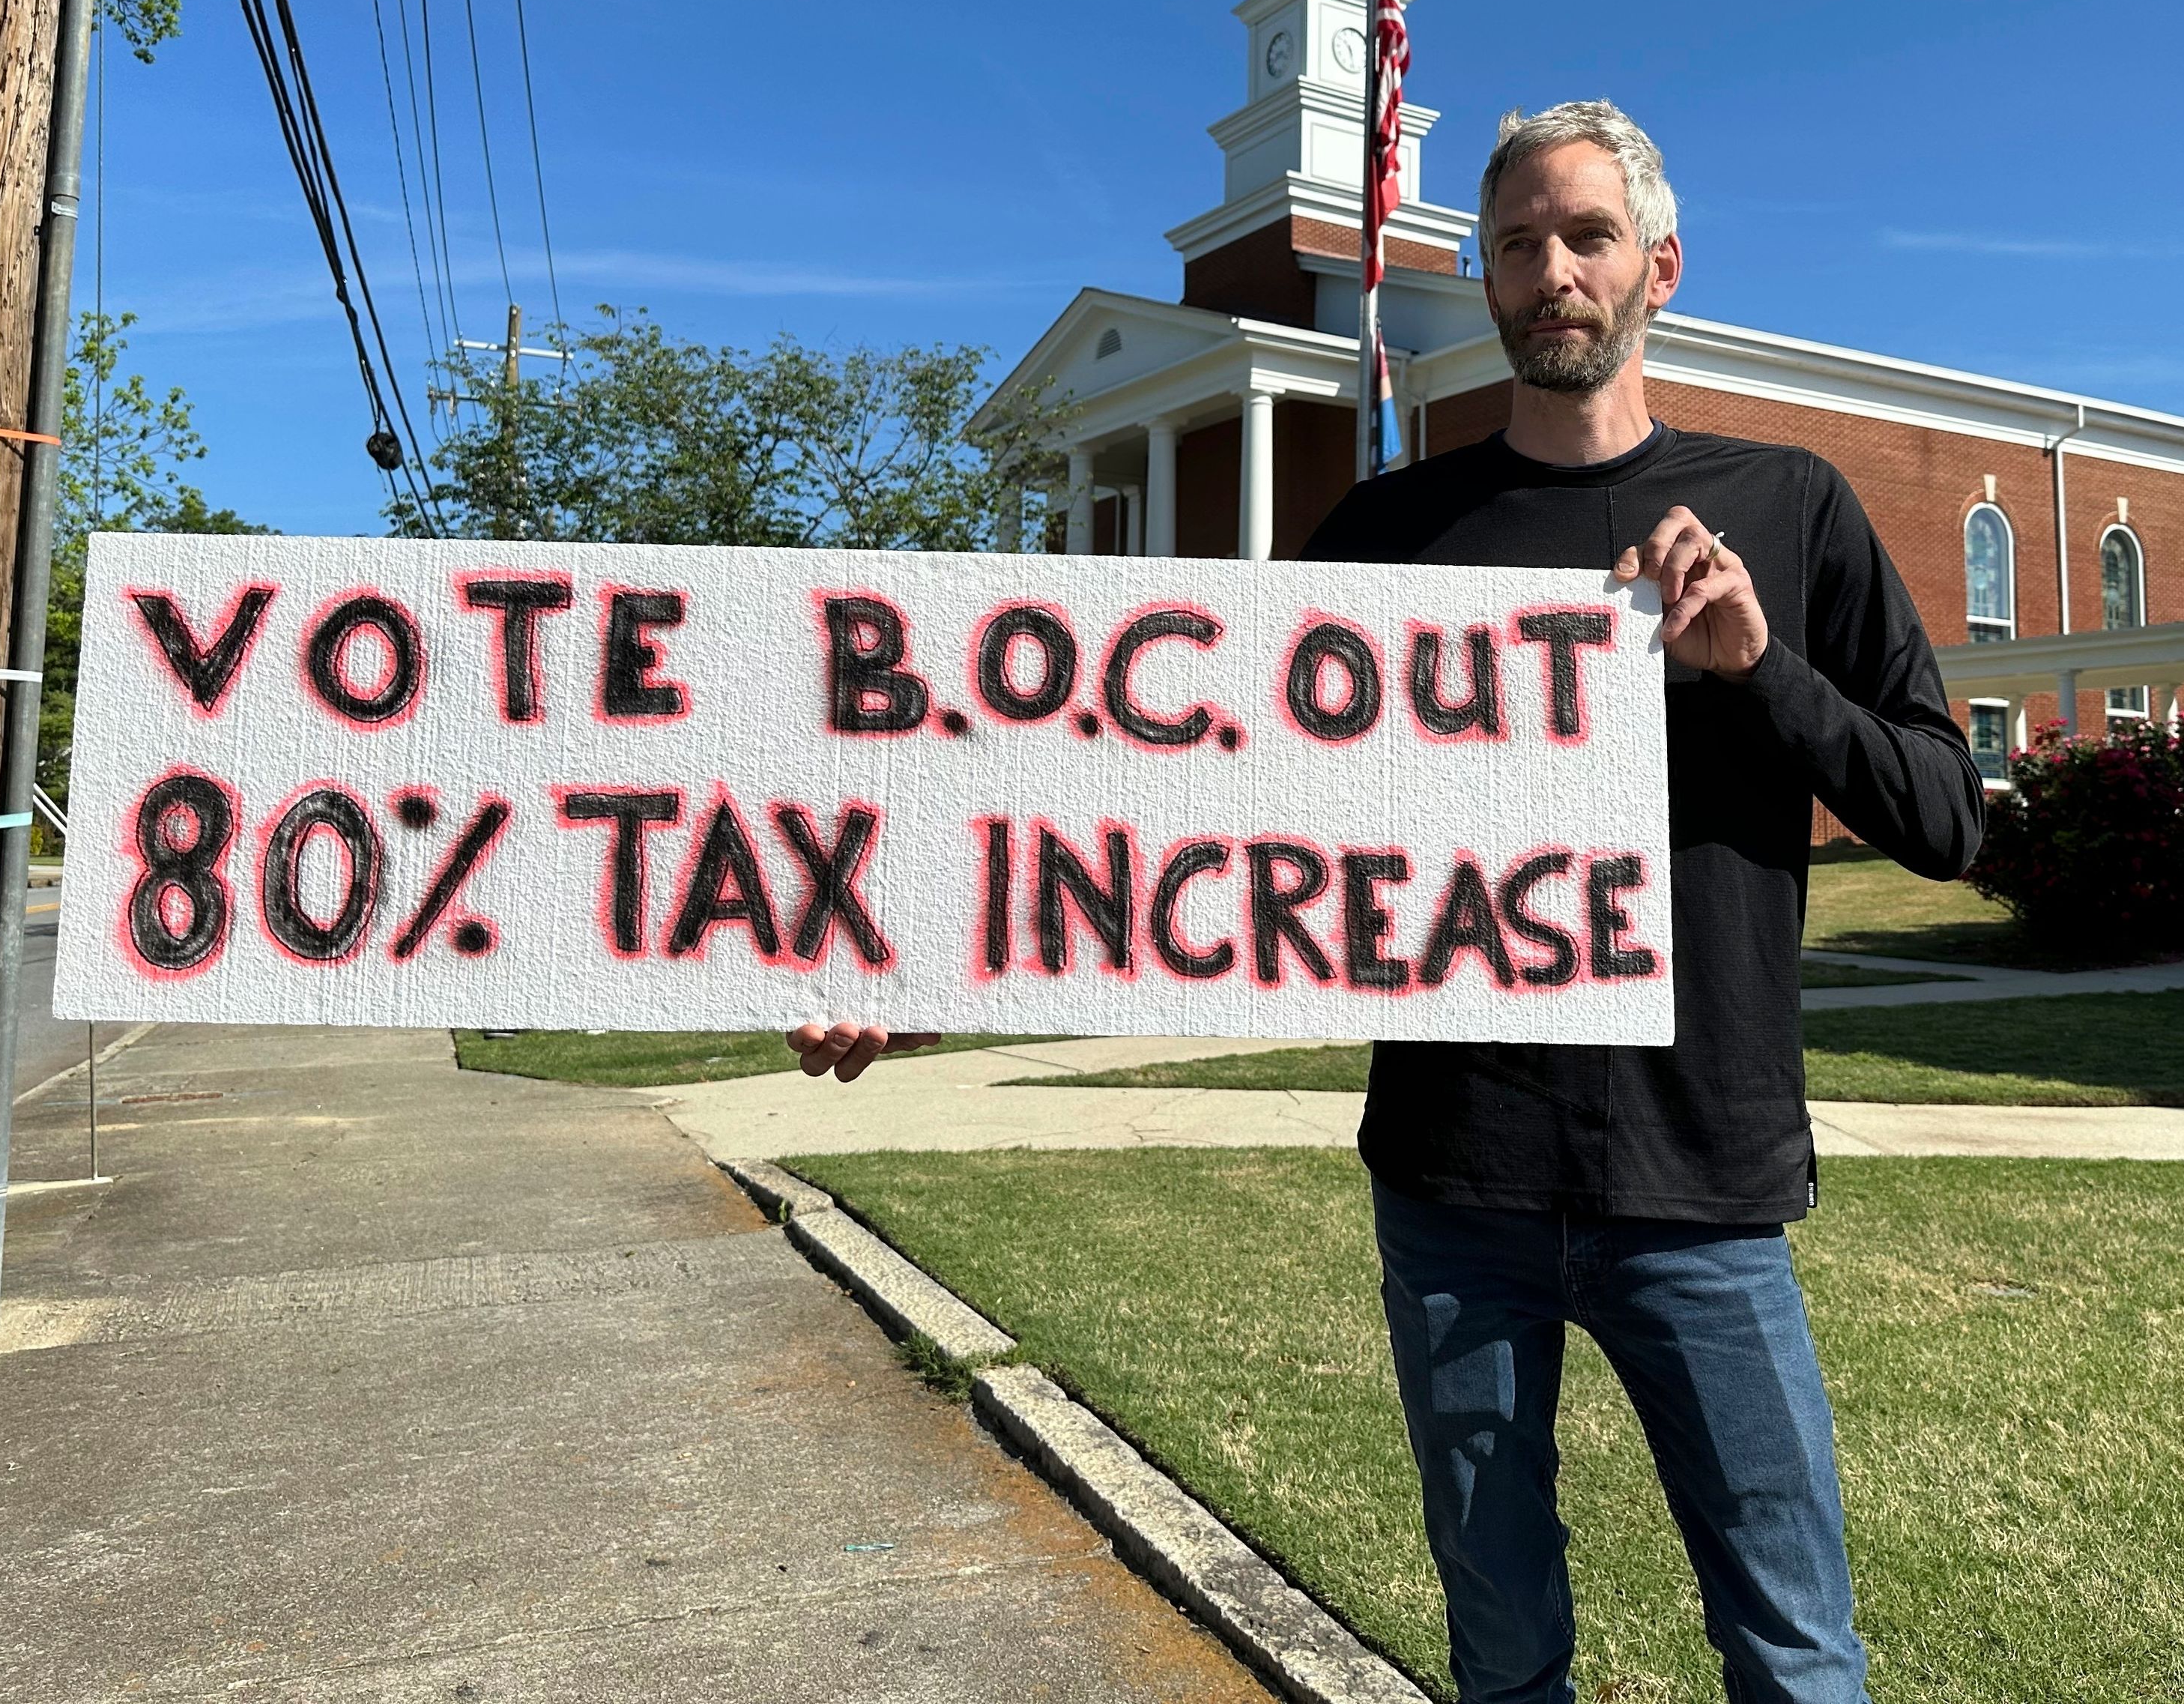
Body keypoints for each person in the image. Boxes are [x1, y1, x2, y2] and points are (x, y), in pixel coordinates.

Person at [794, 100, 1982, 1704]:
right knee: (1501, 1652)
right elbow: (1196, 816)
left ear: (1661, 268)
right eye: (1513, 245)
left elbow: (1944, 818)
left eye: (1586, 237)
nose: (1550, 271)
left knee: (1794, 1646)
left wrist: (1761, 670)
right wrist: (941, 964)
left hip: (1705, 1179)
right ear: (1482, 281)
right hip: (1455, 1181)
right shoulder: (1385, 539)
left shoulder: (1788, 505)